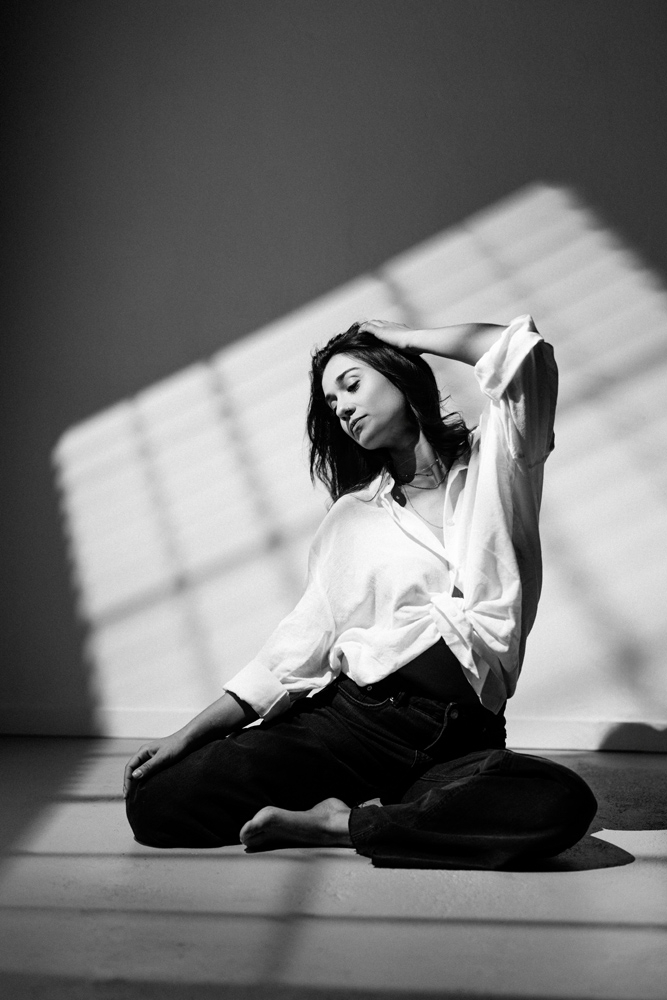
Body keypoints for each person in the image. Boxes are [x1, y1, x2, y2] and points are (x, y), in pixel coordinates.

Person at [124, 314, 597, 869]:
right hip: (357, 723)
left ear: (398, 374)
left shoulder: (500, 459)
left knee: (559, 802)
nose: (343, 409)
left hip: (463, 737)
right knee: (155, 800)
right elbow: (294, 652)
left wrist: (405, 337)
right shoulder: (353, 516)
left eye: (351, 385)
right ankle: (392, 817)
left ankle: (341, 825)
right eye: (332, 404)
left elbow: (522, 352)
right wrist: (185, 736)